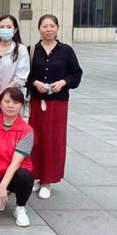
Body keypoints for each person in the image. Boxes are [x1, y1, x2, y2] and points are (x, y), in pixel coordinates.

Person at [27, 14, 83, 199]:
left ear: (57, 28)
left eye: (52, 26)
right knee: (35, 139)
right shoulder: (32, 51)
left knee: (53, 140)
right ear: (39, 29)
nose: (48, 29)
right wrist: (35, 83)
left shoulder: (66, 51)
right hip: (37, 102)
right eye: (44, 26)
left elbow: (76, 74)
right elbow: (25, 75)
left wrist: (64, 82)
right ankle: (36, 176)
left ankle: (47, 181)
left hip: (58, 103)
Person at [0, 87, 35, 227]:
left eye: (16, 103)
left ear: (22, 106)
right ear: (0, 103)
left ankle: (20, 207)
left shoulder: (27, 131)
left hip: (13, 175)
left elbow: (16, 163)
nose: (10, 106)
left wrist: (3, 186)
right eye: (7, 101)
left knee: (24, 176)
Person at [0, 14, 30, 96]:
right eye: (2, 27)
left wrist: (3, 93)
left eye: (9, 27)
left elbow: (20, 78)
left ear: (15, 30)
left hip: (12, 97)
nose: (5, 29)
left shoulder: (21, 50)